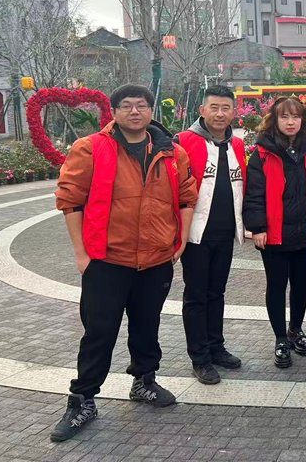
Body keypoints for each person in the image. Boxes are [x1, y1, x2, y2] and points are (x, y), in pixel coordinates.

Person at [51, 85, 197, 442]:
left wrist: (180, 241)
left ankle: (144, 381)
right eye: (127, 106)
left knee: (147, 325)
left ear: (151, 111)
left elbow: (186, 197)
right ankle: (83, 399)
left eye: (142, 105)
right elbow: (70, 200)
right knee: (99, 332)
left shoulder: (172, 152)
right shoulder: (90, 148)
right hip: (107, 260)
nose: (135, 111)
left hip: (156, 259)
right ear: (114, 112)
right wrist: (82, 254)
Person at [243, 97, 306, 368]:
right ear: (275, 120)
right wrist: (257, 227)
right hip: (274, 234)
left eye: (295, 116)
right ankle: (280, 338)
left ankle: (296, 330)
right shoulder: (263, 152)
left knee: (301, 284)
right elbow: (254, 193)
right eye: (284, 117)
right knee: (277, 285)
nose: (290, 122)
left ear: (303, 119)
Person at [173, 85, 246, 385]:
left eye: (225, 108)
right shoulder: (183, 142)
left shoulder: (237, 144)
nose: (219, 113)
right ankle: (200, 357)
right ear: (202, 110)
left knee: (217, 293)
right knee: (196, 296)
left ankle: (217, 347)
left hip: (225, 233)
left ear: (234, 112)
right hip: (195, 235)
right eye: (214, 107)